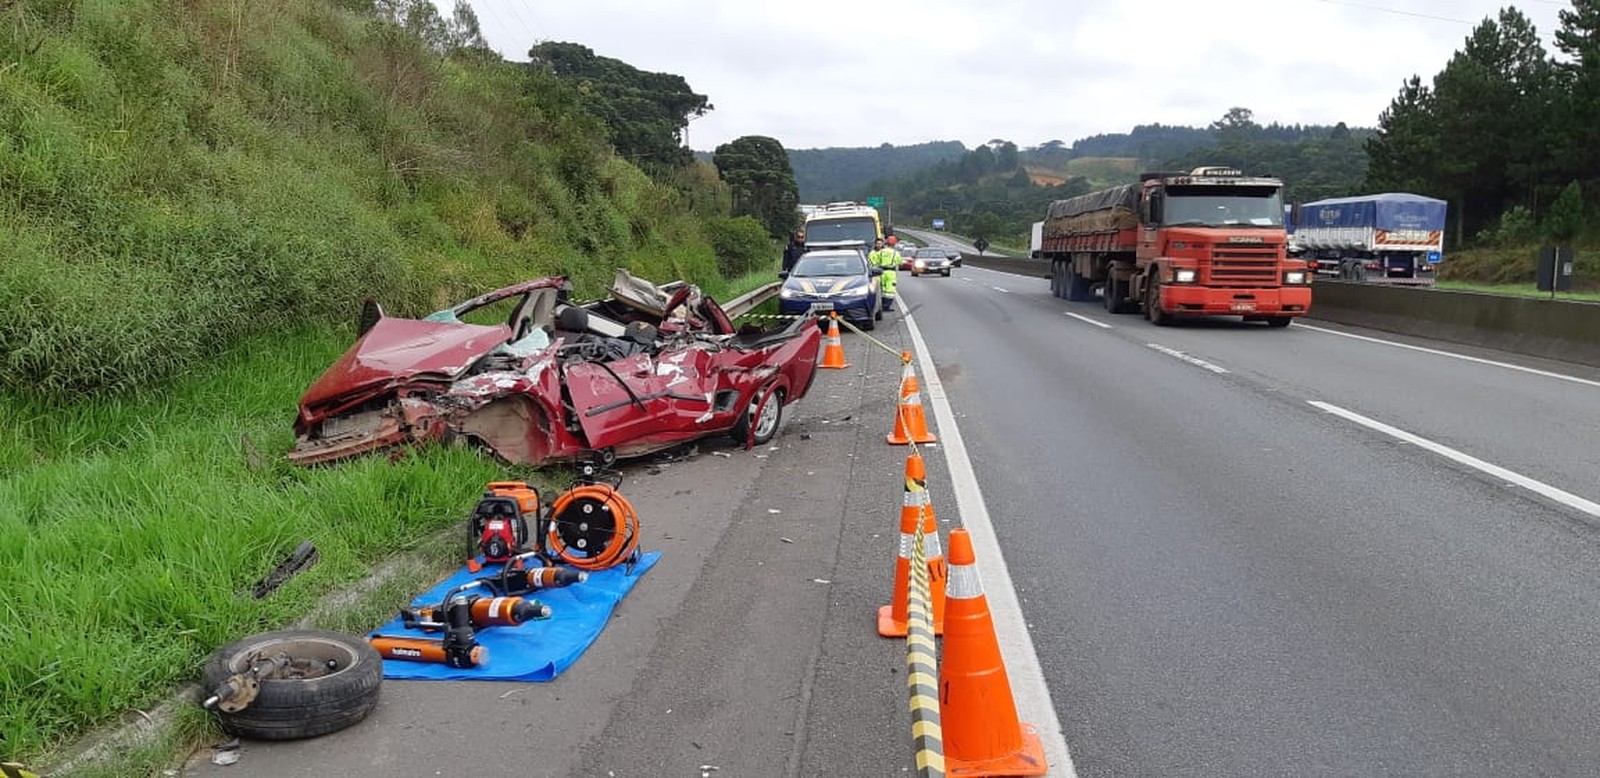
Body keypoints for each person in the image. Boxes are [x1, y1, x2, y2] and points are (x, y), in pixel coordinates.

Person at [868, 237, 901, 312]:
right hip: (891, 273)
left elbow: (876, 262)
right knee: (890, 290)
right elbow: (899, 262)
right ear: (894, 244)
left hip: (881, 272)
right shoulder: (896, 253)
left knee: (882, 289)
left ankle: (882, 305)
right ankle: (886, 306)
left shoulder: (881, 252)